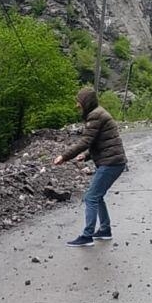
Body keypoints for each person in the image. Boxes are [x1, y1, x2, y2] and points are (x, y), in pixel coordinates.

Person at [53, 87, 128, 247]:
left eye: (78, 102)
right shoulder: (98, 113)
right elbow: (100, 141)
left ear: (86, 102)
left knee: (90, 197)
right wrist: (86, 156)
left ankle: (87, 236)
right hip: (114, 162)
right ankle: (105, 230)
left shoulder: (95, 116)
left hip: (111, 163)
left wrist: (64, 156)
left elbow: (86, 141)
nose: (77, 105)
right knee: (97, 196)